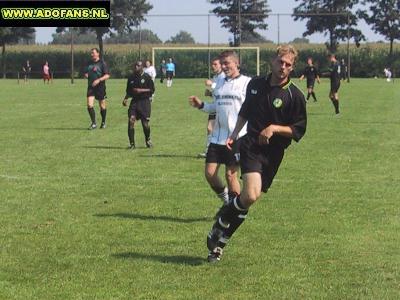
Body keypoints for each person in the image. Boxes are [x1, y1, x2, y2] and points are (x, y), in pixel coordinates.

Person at [205, 44, 307, 263]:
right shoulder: (256, 84)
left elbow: (298, 129)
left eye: (288, 65)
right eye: (280, 62)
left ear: (292, 68)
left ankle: (220, 242)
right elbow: (245, 111)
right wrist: (233, 133)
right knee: (250, 194)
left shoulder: (294, 95)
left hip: (274, 153)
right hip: (251, 145)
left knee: (248, 200)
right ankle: (222, 223)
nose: (283, 67)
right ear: (273, 61)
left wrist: (274, 128)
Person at [189, 50, 251, 215]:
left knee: (231, 175)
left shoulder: (246, 83)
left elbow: (252, 109)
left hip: (236, 136)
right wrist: (201, 105)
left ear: (236, 63)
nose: (224, 67)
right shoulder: (219, 81)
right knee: (209, 173)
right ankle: (227, 202)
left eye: (227, 63)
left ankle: (236, 211)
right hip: (218, 136)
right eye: (222, 64)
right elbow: (215, 107)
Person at [122, 61, 155, 149]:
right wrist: (125, 98)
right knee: (131, 121)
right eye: (135, 65)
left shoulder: (147, 77)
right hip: (134, 103)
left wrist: (141, 90)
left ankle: (148, 140)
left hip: (144, 102)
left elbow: (152, 90)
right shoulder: (131, 77)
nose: (136, 67)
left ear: (142, 67)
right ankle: (132, 144)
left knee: (145, 124)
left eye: (138, 65)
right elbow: (129, 90)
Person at [198, 57, 226, 158]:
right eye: (212, 65)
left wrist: (212, 85)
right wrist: (210, 93)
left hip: (222, 106)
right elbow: (217, 93)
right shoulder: (216, 76)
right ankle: (209, 152)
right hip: (215, 105)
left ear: (221, 65)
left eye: (215, 64)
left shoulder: (223, 76)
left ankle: (213, 152)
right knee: (210, 128)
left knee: (218, 129)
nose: (213, 66)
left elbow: (223, 89)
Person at [84, 48, 110, 130]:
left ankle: (103, 122)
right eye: (91, 53)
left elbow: (107, 75)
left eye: (93, 53)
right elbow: (86, 72)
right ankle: (94, 123)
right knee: (89, 105)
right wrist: (86, 75)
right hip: (91, 87)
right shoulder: (89, 63)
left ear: (98, 54)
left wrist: (98, 80)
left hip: (100, 87)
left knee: (102, 105)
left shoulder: (102, 63)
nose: (92, 54)